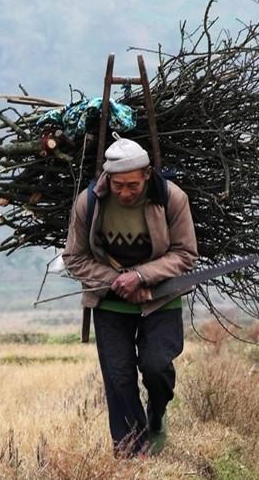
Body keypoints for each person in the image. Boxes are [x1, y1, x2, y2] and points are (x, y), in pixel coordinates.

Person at [63, 137, 198, 457]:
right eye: (119, 185)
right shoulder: (89, 203)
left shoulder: (172, 198)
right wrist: (116, 281)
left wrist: (141, 276)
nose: (125, 192)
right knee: (119, 378)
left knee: (156, 367)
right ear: (108, 178)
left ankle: (157, 415)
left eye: (133, 185)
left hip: (160, 297)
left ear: (147, 175)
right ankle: (132, 455)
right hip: (110, 302)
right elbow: (74, 258)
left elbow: (185, 253)